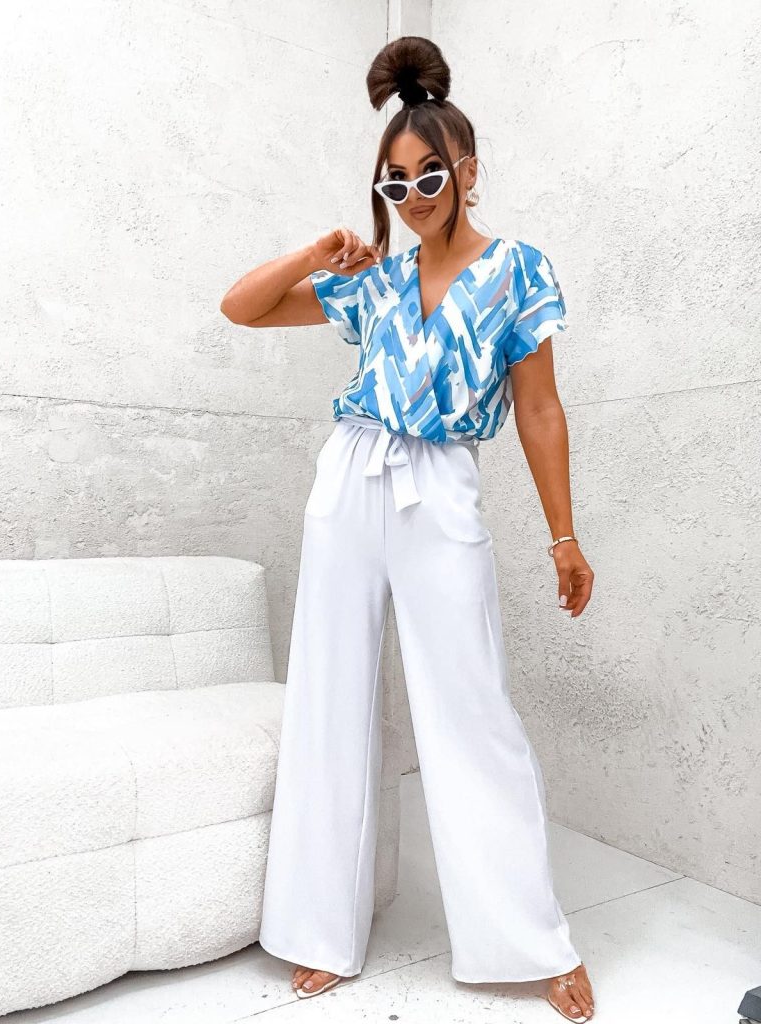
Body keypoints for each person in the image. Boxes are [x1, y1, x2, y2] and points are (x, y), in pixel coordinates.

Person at [220, 34, 596, 1024]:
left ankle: (533, 940)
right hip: (350, 473)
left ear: (467, 171)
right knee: (330, 696)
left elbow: (539, 408)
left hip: (441, 480)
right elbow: (241, 308)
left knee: (473, 707)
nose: (416, 194)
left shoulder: (518, 271)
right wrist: (319, 251)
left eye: (431, 175)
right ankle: (318, 931)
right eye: (396, 183)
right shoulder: (376, 280)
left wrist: (563, 535)